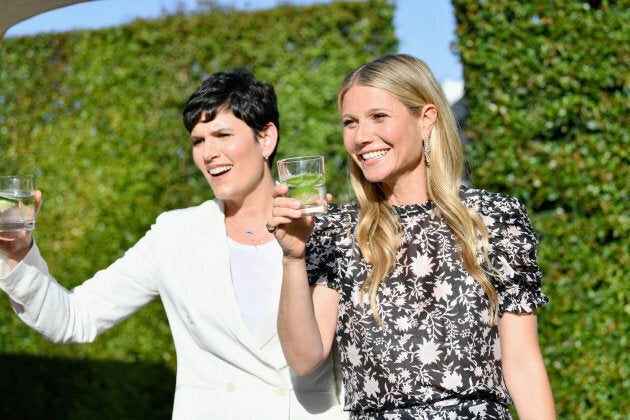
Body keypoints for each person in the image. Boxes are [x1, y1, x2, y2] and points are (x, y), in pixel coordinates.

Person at [0, 70, 344, 419]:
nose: (209, 153)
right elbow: (75, 318)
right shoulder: (174, 235)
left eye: (223, 134)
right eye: (198, 141)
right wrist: (18, 255)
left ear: (266, 138)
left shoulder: (327, 228)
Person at [267, 54, 556, 419]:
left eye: (378, 117)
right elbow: (305, 358)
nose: (361, 137)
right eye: (350, 122)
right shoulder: (336, 231)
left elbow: (524, 364)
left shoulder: (493, 218)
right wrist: (293, 257)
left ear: (426, 119)